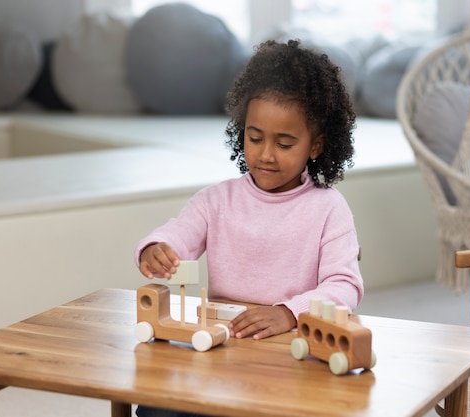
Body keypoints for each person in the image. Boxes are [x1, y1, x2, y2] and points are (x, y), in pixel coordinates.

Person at [134, 38, 363, 417]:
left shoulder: (328, 208)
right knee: (158, 407)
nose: (266, 154)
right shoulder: (216, 200)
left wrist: (290, 313)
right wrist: (157, 247)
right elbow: (181, 233)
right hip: (222, 344)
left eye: (285, 143)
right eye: (255, 137)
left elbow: (345, 285)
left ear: (316, 145)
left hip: (290, 351)